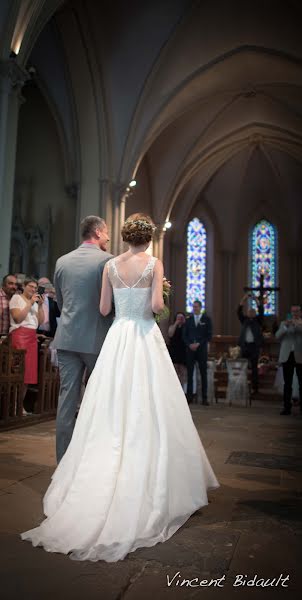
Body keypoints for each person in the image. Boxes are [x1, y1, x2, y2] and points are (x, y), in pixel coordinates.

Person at [21, 213, 219, 563]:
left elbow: (103, 307)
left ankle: (80, 467)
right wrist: (156, 300)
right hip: (142, 335)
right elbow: (157, 306)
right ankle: (144, 468)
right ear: (148, 238)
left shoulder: (107, 265)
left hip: (111, 337)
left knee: (103, 405)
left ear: (125, 236)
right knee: (148, 404)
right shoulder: (153, 263)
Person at [53, 215, 113, 463]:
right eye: (107, 232)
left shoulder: (62, 261)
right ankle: (93, 460)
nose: (108, 237)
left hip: (66, 338)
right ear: (97, 232)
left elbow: (59, 301)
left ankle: (63, 461)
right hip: (96, 339)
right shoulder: (108, 261)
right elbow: (111, 305)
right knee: (99, 399)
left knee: (66, 400)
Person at [9, 278, 45, 415]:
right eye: (30, 286)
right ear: (24, 286)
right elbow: (18, 318)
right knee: (18, 372)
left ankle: (20, 406)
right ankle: (12, 406)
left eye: (35, 287)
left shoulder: (35, 303)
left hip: (31, 337)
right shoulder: (16, 298)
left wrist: (40, 306)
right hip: (20, 335)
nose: (33, 289)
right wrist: (30, 303)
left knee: (28, 375)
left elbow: (40, 322)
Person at [183, 300, 212, 404]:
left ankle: (204, 398)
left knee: (203, 374)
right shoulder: (189, 320)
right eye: (193, 307)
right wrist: (189, 344)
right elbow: (184, 335)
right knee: (190, 374)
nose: (195, 308)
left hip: (201, 350)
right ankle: (189, 396)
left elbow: (209, 335)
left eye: (196, 307)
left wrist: (199, 343)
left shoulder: (206, 319)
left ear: (200, 308)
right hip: (190, 350)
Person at [275, 304, 302, 415]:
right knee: (287, 383)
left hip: (300, 355)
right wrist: (286, 327)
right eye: (293, 311)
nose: (294, 313)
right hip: (287, 356)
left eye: (297, 311)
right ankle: (287, 407)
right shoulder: (284, 323)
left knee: (301, 382)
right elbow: (277, 336)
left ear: (300, 312)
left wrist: (297, 325)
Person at [237, 292, 264, 395]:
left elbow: (261, 309)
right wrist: (244, 299)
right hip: (244, 346)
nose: (251, 313)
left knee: (254, 369)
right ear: (247, 314)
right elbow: (239, 310)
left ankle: (255, 389)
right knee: (242, 367)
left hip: (254, 347)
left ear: (255, 314)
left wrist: (255, 299)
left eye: (253, 312)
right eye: (249, 311)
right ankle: (242, 387)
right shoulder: (244, 320)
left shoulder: (258, 320)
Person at [168, 312, 187, 387]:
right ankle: (175, 388)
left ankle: (182, 388)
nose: (180, 319)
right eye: (178, 318)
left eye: (181, 318)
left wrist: (184, 323)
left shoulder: (186, 327)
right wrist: (176, 323)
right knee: (175, 372)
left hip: (183, 351)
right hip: (174, 350)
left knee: (183, 371)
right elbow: (170, 334)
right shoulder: (172, 326)